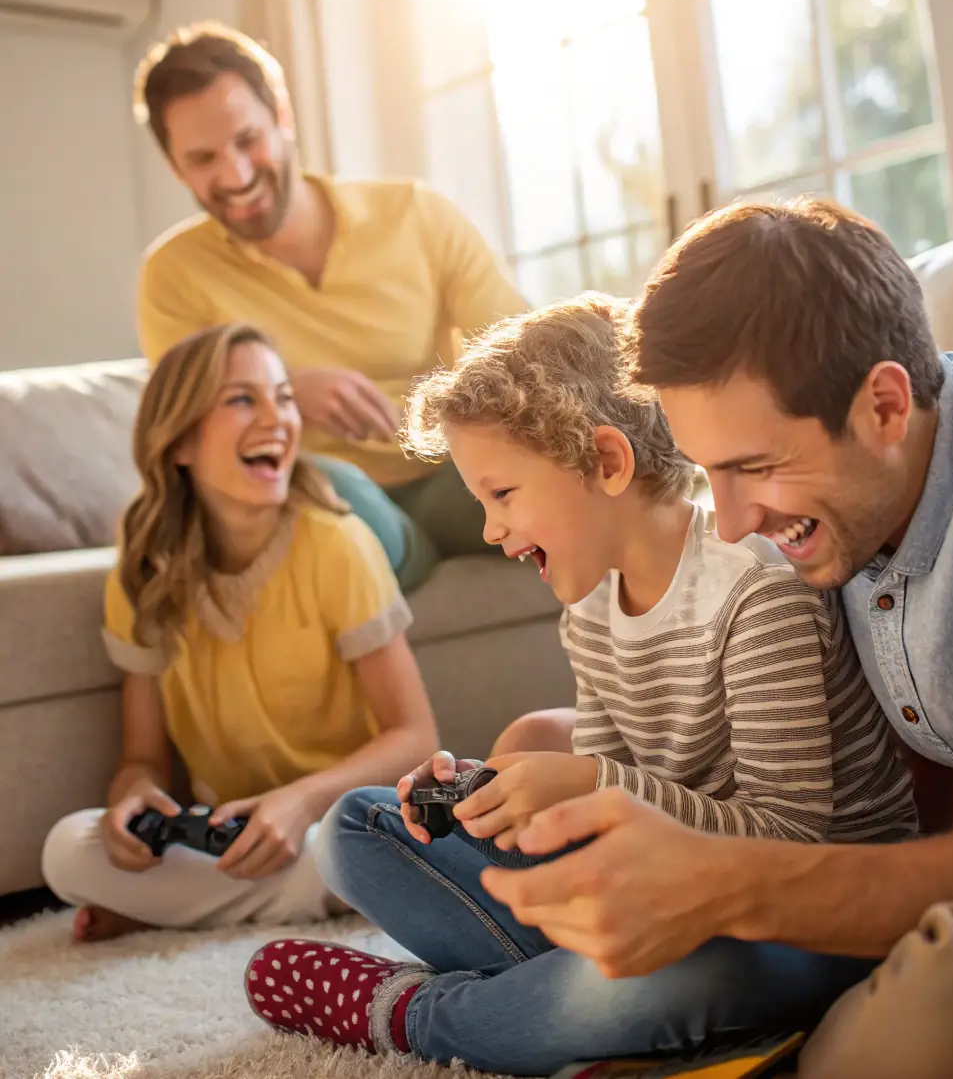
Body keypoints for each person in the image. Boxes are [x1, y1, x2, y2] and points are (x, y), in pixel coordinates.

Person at [242, 294, 918, 1075]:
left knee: (614, 987)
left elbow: (789, 839)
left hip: (805, 922)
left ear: (605, 461)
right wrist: (490, 801)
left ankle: (414, 1012)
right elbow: (606, 818)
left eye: (503, 494)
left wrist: (595, 781)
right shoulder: (592, 605)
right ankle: (591, 1020)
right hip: (666, 892)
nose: (492, 528)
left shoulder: (754, 595)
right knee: (355, 827)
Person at [461, 200, 953, 1079]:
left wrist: (749, 886)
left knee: (914, 1020)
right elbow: (939, 727)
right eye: (709, 471)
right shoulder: (854, 505)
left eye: (754, 467)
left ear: (883, 403)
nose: (727, 526)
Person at [43, 322, 437, 942]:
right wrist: (131, 800)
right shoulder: (143, 572)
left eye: (283, 396)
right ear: (179, 443)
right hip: (224, 834)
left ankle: (179, 909)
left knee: (353, 848)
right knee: (68, 851)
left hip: (339, 820)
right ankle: (301, 898)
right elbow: (142, 759)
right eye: (242, 399)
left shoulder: (337, 546)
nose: (277, 418)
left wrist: (301, 801)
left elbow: (415, 738)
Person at [132, 22, 526, 590]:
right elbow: (189, 429)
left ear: (283, 116)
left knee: (556, 474)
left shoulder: (416, 216)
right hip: (326, 497)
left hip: (453, 474)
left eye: (248, 141)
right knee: (330, 491)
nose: (235, 175)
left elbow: (523, 348)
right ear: (176, 167)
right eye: (203, 159)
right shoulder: (172, 275)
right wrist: (288, 391)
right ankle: (402, 555)